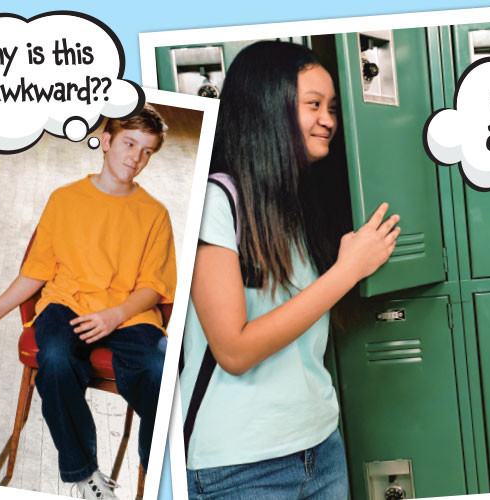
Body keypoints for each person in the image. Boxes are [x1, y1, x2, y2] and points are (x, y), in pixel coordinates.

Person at [180, 40, 399, 499]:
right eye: (313, 105)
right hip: (238, 466)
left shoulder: (301, 204)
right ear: (266, 109)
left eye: (332, 108)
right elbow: (234, 351)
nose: (329, 121)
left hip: (321, 448)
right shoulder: (215, 202)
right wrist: (346, 272)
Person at [0, 104, 175, 499]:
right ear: (105, 142)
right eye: (129, 143)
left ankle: (159, 477)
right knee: (54, 359)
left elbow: (154, 286)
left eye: (146, 151)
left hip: (129, 313)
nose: (135, 157)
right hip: (67, 303)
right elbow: (36, 271)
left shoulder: (155, 213)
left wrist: (115, 314)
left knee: (160, 371)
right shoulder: (65, 199)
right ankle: (84, 474)